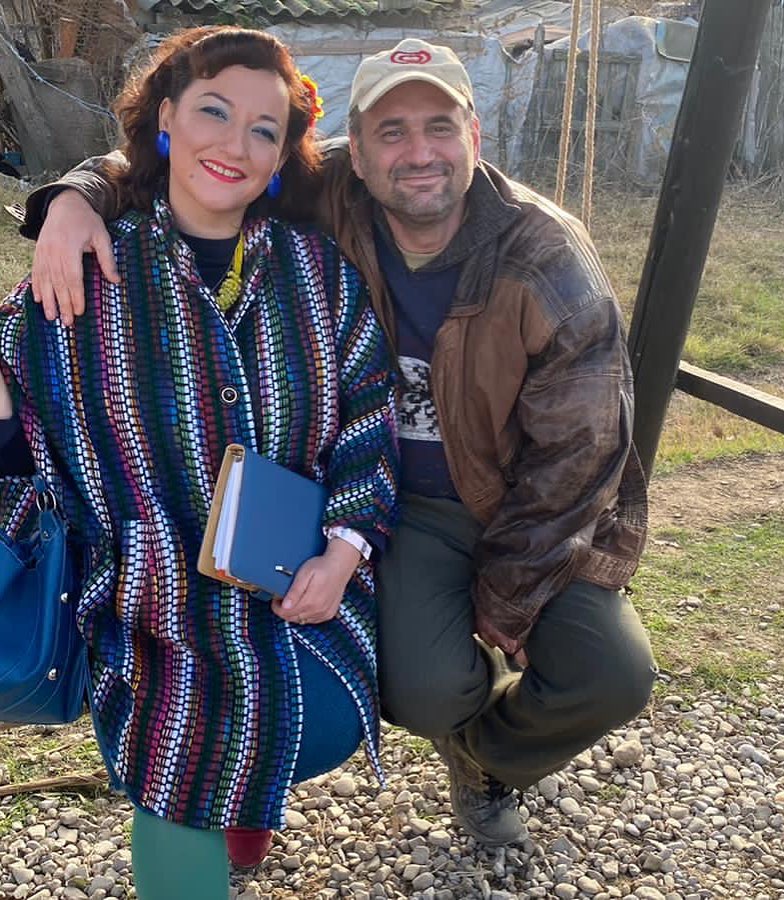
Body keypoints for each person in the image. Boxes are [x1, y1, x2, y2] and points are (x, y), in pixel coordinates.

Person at [20, 37, 656, 848]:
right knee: (428, 689)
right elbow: (197, 151)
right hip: (407, 504)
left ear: (474, 135)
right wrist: (73, 198)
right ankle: (262, 787)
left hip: (530, 506)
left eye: (439, 126)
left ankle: (488, 761)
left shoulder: (547, 259)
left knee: (612, 673)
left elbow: (583, 455)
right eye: (391, 131)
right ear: (353, 147)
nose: (417, 152)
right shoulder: (328, 192)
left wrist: (511, 598)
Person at [0, 26, 399, 897]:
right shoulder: (88, 264)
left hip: (297, 590)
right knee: (181, 750)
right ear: (166, 119)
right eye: (213, 111)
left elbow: (370, 417)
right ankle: (215, 825)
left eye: (264, 129)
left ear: (283, 156)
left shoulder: (319, 274)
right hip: (145, 605)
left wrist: (343, 554)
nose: (235, 143)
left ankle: (239, 810)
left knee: (298, 719)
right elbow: (22, 419)